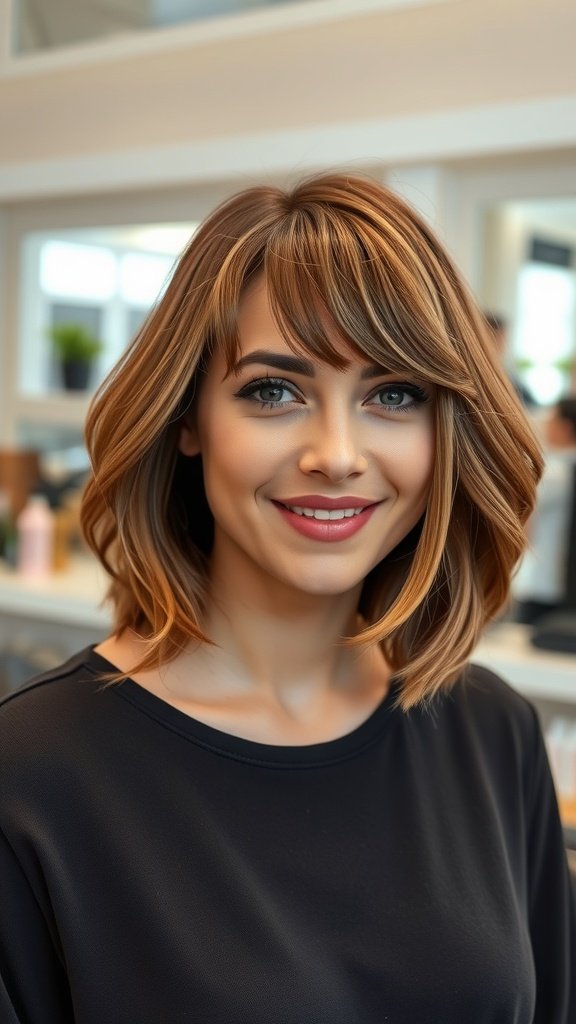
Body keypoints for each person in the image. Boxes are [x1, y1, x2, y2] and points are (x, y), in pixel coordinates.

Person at [0, 173, 574, 1023]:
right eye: (273, 391)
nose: (336, 455)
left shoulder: (493, 732)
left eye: (393, 394)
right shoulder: (32, 774)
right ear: (188, 419)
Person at [513, 394, 576, 624]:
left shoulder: (553, 472)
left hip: (542, 582)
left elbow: (520, 515)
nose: (545, 424)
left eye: (551, 419)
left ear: (564, 427)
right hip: (562, 582)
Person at [483, 311, 538, 407]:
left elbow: (533, 404)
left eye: (503, 338)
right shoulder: (484, 375)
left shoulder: (510, 376)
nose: (502, 343)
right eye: (496, 337)